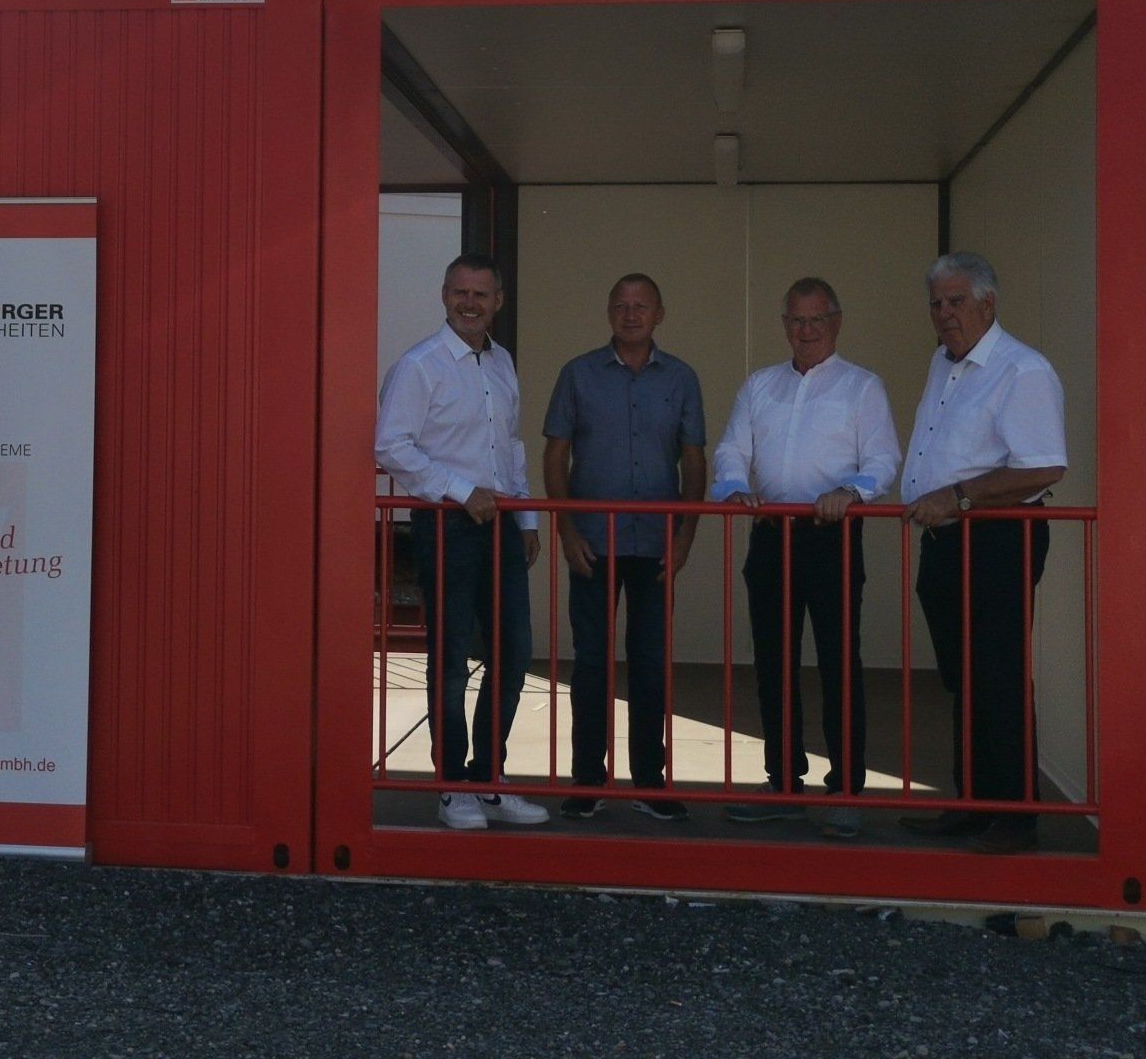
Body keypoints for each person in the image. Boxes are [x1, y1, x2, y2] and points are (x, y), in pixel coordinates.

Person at [711, 278, 901, 840]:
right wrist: (732, 486)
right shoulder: (759, 386)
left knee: (840, 662)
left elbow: (883, 459)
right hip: (771, 536)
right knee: (774, 663)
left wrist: (852, 491)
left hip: (830, 536)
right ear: (784, 324)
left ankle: (846, 789)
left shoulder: (862, 386)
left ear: (836, 322)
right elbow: (731, 448)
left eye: (817, 319)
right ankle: (784, 784)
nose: (807, 330)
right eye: (797, 320)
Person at [898, 252, 1066, 855]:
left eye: (957, 301)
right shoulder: (942, 363)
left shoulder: (1023, 370)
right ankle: (973, 803)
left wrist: (959, 496)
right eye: (936, 303)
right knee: (964, 679)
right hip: (944, 540)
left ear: (988, 304)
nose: (945, 313)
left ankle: (1015, 816)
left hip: (996, 538)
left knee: (997, 676)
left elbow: (1044, 466)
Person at [375, 254, 548, 830]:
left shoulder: (502, 362)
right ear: (444, 295)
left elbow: (512, 446)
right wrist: (459, 491)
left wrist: (526, 520)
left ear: (498, 300)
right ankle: (452, 786)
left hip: (501, 525)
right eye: (459, 292)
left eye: (480, 294)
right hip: (448, 524)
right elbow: (390, 445)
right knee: (451, 659)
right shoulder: (419, 366)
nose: (469, 303)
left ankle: (489, 778)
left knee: (512, 652)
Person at [543, 273, 705, 821]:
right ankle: (588, 779)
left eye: (641, 306)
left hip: (656, 544)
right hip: (592, 542)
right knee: (591, 662)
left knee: (651, 662)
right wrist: (566, 531)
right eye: (621, 305)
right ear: (608, 311)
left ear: (660, 314)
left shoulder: (681, 378)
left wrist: (685, 537)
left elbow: (694, 462)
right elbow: (555, 455)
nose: (630, 314)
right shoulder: (578, 373)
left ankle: (649, 781)